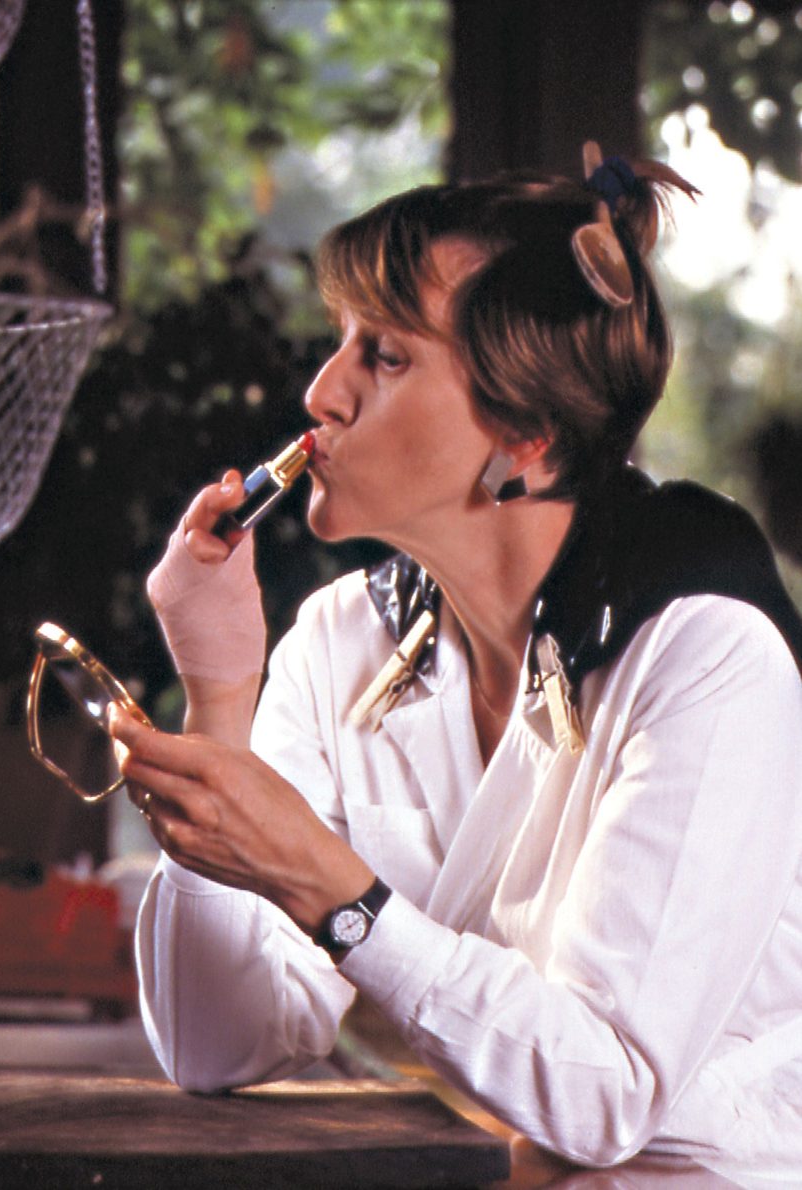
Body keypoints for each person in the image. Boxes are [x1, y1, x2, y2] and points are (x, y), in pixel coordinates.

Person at [108, 143, 802, 1184]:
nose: (322, 391)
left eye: (384, 356)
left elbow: (606, 1090)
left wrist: (332, 886)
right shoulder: (345, 639)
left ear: (524, 429)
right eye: (343, 341)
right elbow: (219, 1045)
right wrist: (218, 692)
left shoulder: (704, 649)